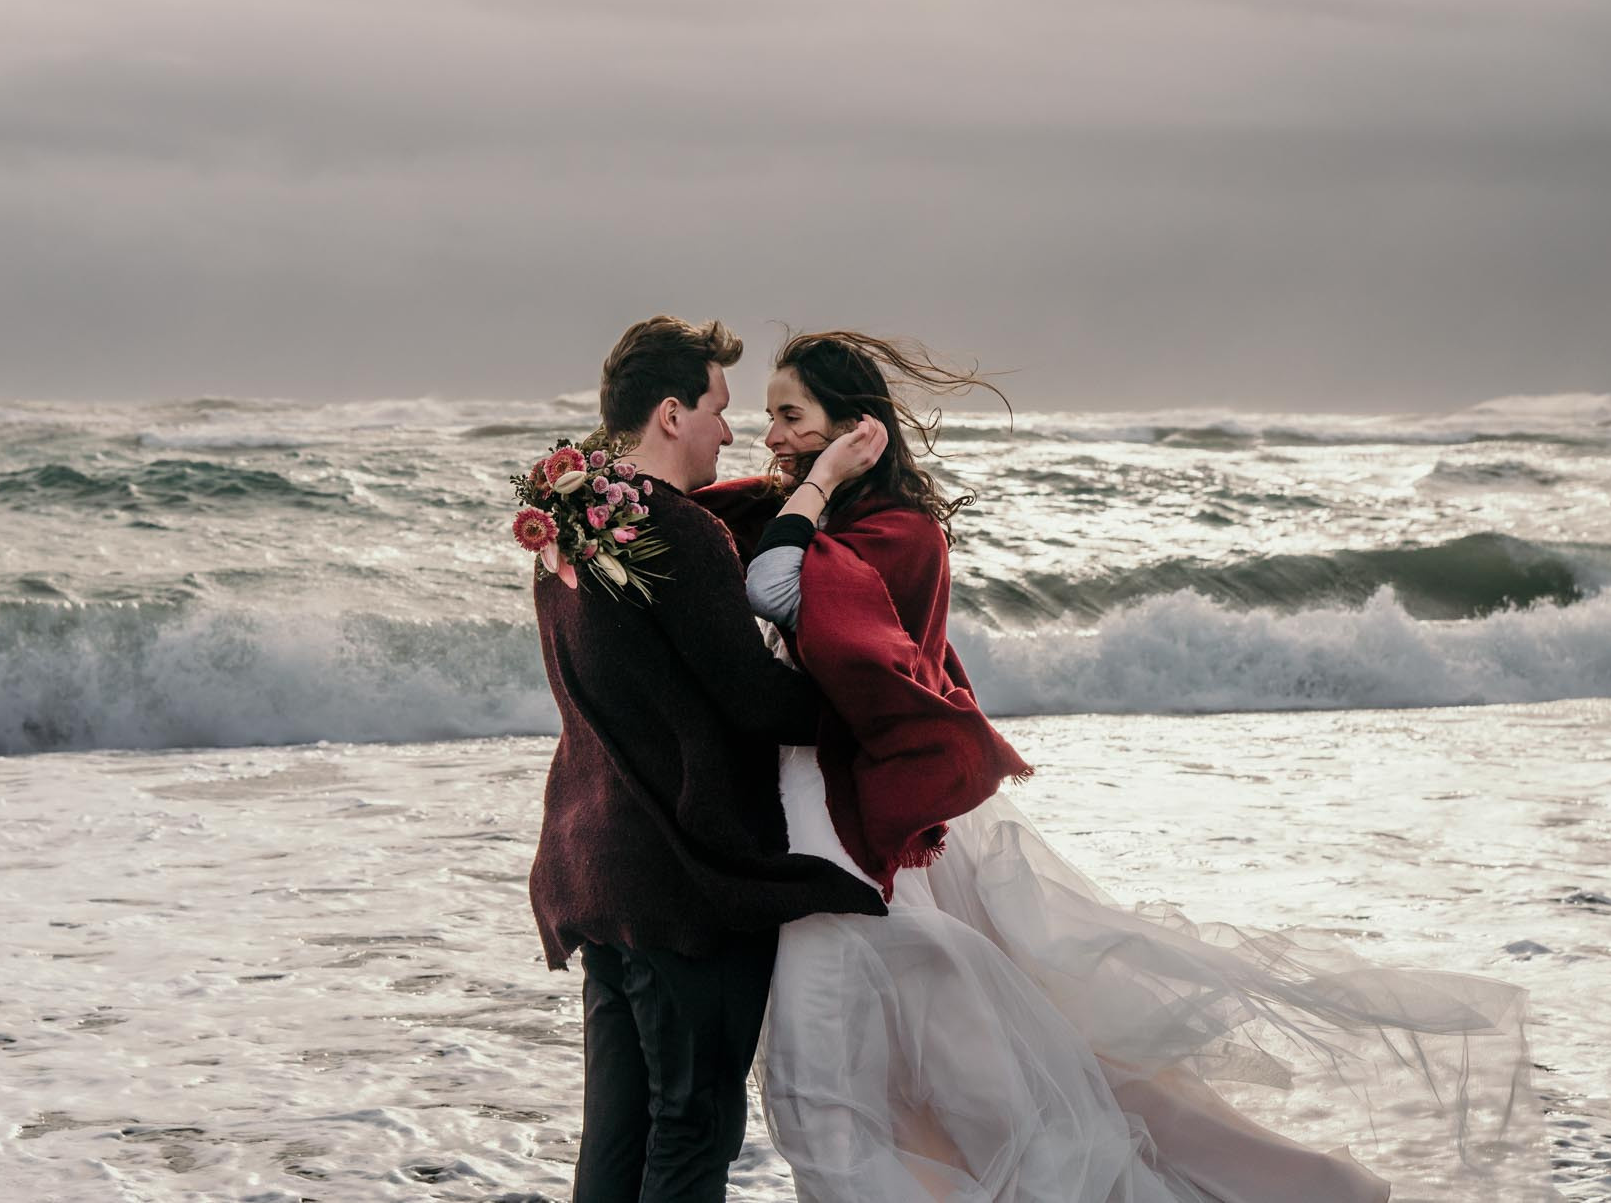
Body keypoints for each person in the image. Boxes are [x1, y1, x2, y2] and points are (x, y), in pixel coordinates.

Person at [692, 331, 1555, 1203]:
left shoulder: (895, 530)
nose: (770, 435)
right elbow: (710, 530)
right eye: (766, 416)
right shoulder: (822, 517)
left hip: (860, 829)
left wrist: (818, 479)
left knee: (915, 1089)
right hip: (828, 818)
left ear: (854, 430)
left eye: (791, 416)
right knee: (897, 1091)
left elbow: (775, 591)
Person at [526, 316, 887, 1203]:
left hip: (597, 865)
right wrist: (881, 713)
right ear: (672, 413)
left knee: (617, 1135)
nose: (731, 431)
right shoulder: (678, 530)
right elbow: (753, 697)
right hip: (682, 884)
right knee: (692, 1131)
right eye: (720, 409)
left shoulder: (567, 525)